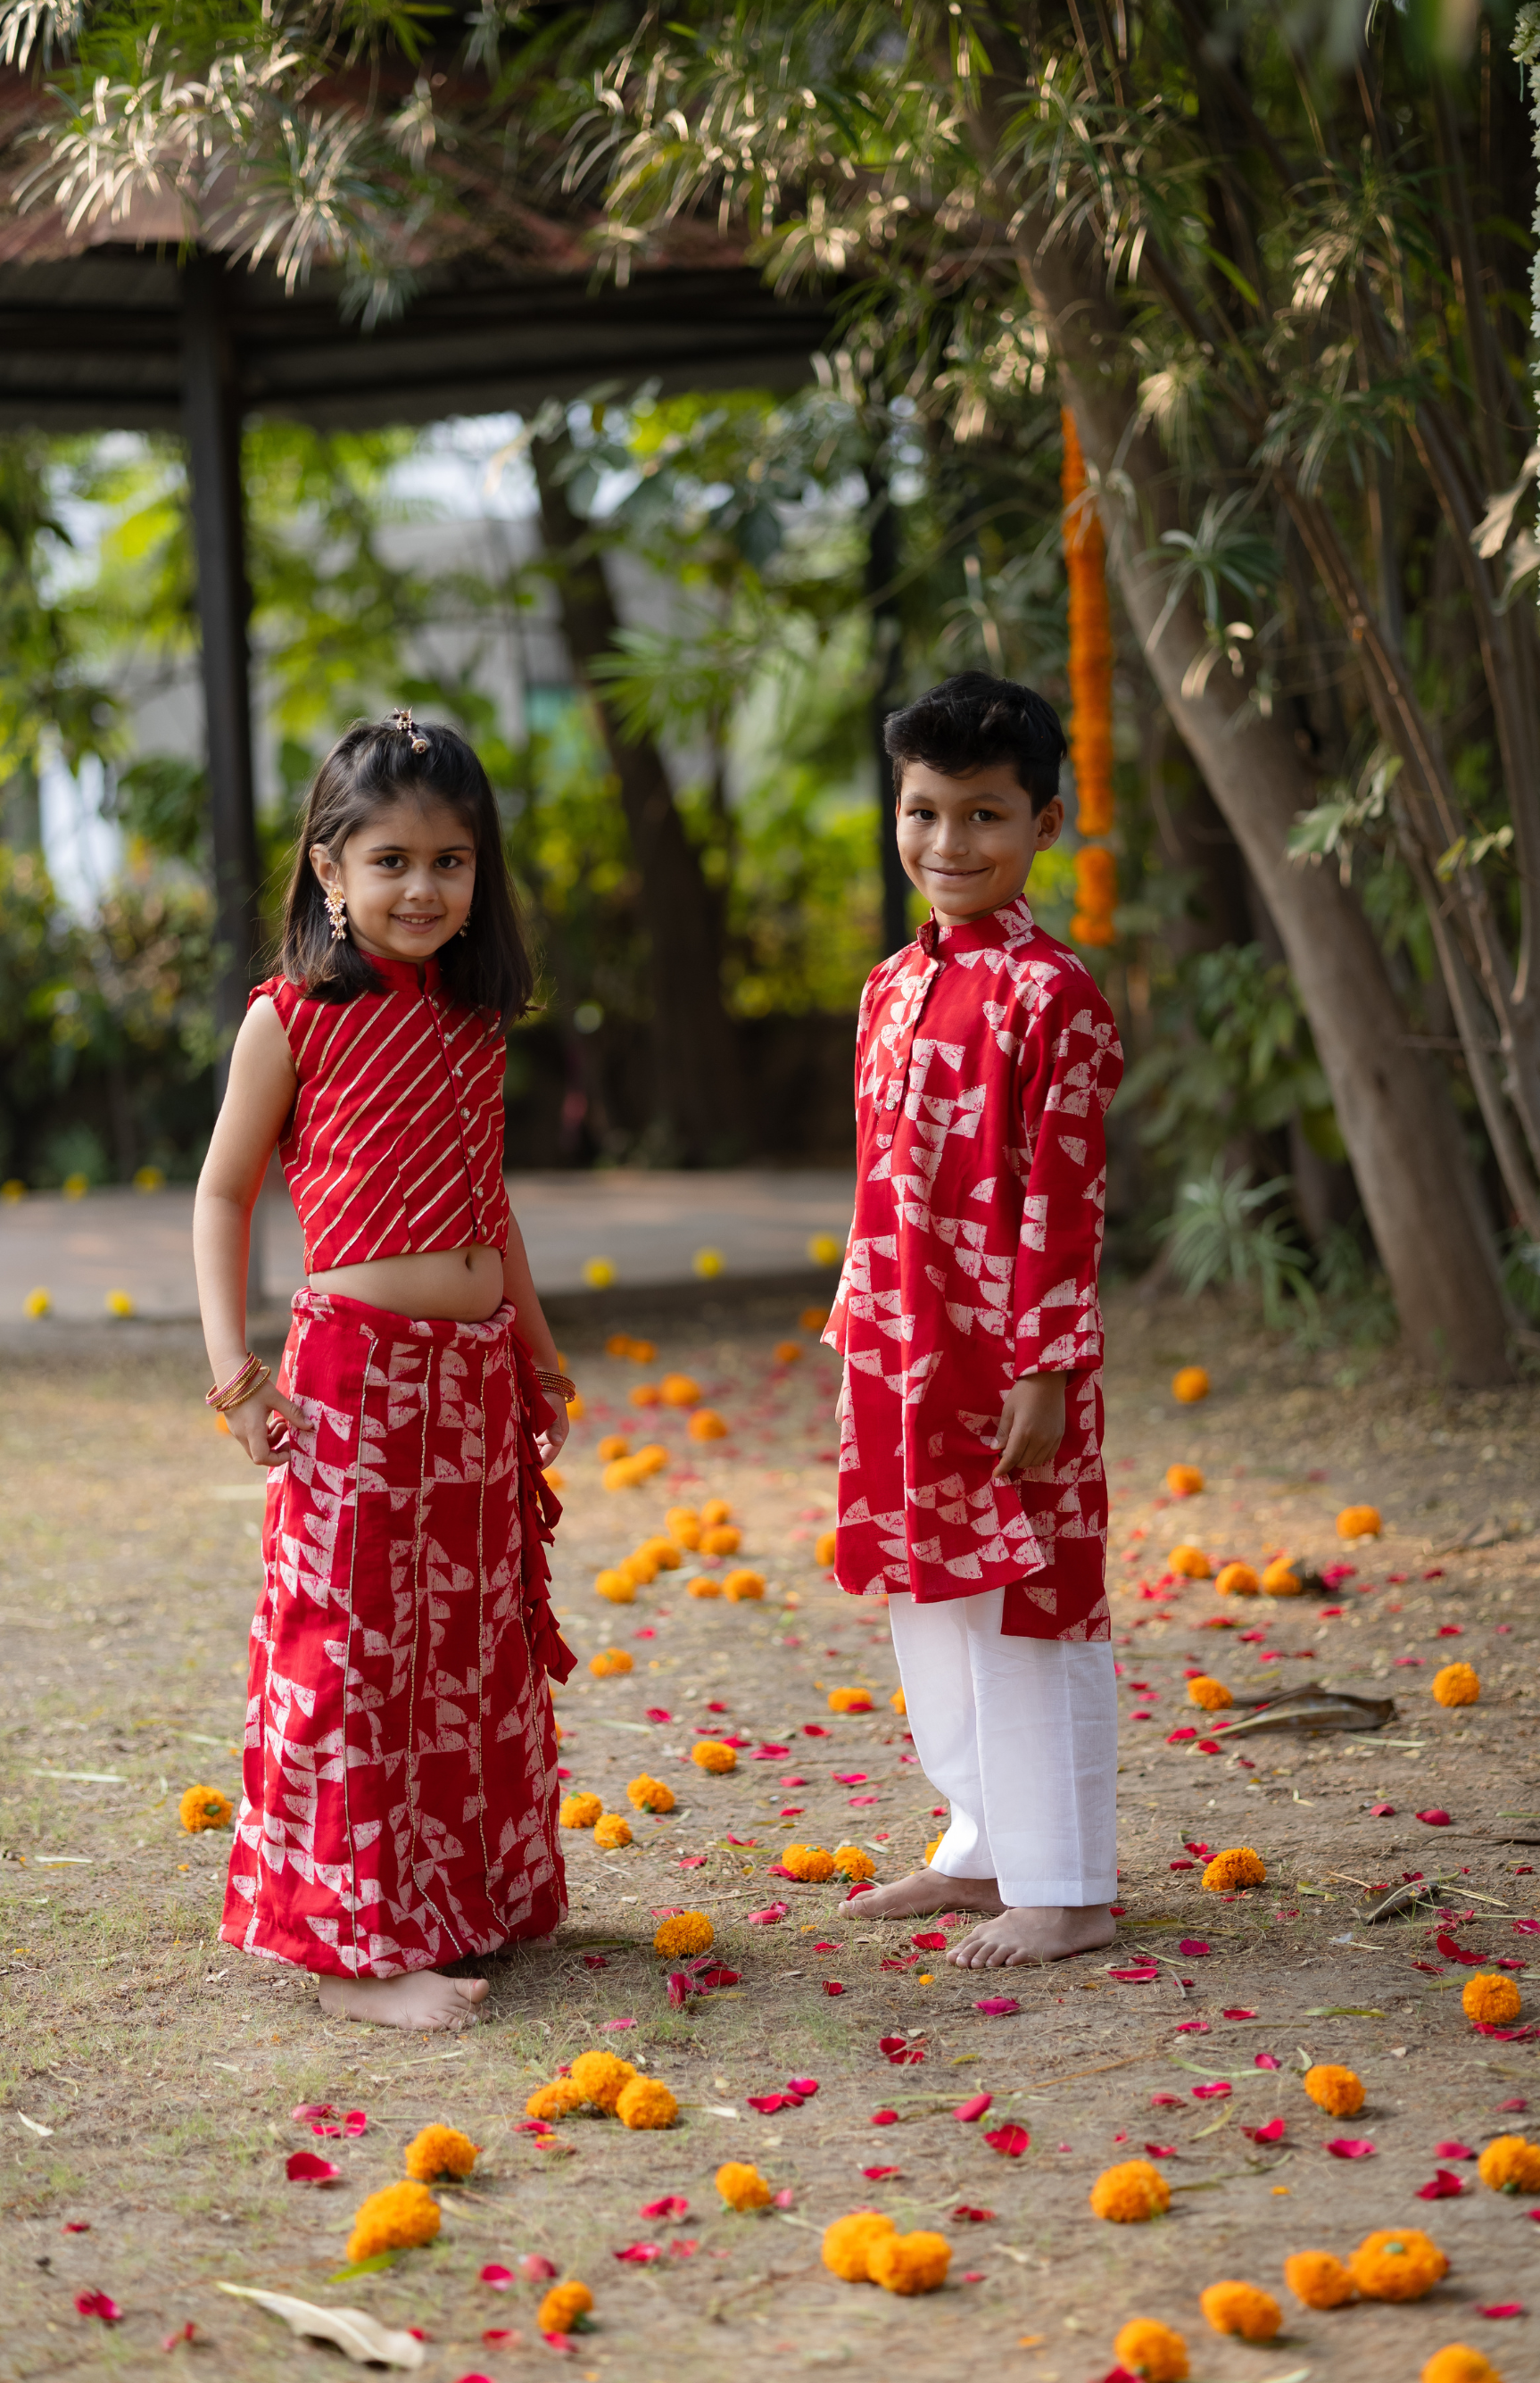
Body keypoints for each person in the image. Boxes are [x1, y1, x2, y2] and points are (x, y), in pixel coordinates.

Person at [194, 711, 575, 2030]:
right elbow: (224, 1193)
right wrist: (237, 1374)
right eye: (393, 860)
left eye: (453, 861)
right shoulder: (289, 1017)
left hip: (470, 1381)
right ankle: (351, 1947)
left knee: (467, 1649)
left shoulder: (475, 1017)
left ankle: (461, 1902)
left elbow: (492, 1201)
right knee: (350, 1651)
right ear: (327, 870)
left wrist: (533, 1342)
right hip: (351, 1378)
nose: (424, 888)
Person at [824, 671, 1123, 1971]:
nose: (950, 846)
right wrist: (856, 1335)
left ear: (1043, 823)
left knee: (1029, 1601)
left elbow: (1066, 1203)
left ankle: (1065, 1882)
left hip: (1010, 1361)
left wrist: (1046, 1368)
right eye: (924, 813)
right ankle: (981, 1843)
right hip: (898, 1345)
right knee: (930, 1599)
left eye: (985, 816)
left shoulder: (1055, 997)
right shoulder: (889, 985)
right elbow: (873, 1179)